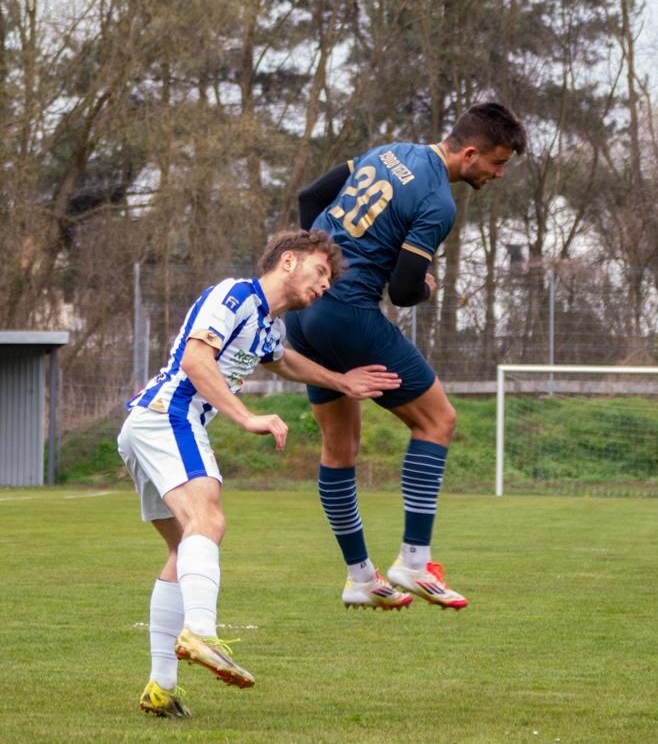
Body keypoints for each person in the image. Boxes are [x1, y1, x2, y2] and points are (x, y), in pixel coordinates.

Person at [120, 229, 400, 719]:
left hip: (148, 426)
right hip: (169, 415)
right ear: (288, 261)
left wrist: (341, 382)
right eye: (320, 273)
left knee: (182, 548)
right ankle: (201, 633)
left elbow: (284, 360)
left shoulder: (268, 326)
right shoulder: (233, 295)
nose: (324, 286)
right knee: (208, 521)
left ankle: (160, 689)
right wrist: (247, 417)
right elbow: (194, 357)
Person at [286, 101, 527, 611]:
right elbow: (401, 289)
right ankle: (414, 562)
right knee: (437, 420)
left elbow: (311, 196)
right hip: (349, 314)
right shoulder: (439, 202)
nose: (499, 174)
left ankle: (360, 578)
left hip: (302, 312)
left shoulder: (389, 151)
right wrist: (429, 288)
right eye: (497, 163)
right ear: (469, 153)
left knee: (339, 446)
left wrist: (316, 264)